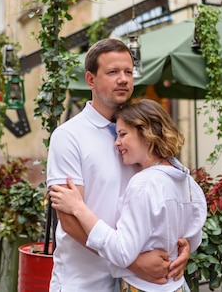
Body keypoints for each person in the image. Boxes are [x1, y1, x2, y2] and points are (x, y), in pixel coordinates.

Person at [47, 38, 190, 291]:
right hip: (84, 282)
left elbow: (165, 198)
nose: (123, 79)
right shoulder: (69, 135)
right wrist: (131, 262)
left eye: (128, 72)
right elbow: (69, 221)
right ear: (90, 80)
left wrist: (181, 244)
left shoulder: (142, 132)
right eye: (113, 72)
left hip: (140, 284)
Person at [50, 99, 207, 292]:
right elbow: (194, 235)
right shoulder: (187, 181)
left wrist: (79, 208)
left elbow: (122, 252)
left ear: (146, 134)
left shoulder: (142, 184)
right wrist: (181, 250)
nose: (117, 143)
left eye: (123, 134)